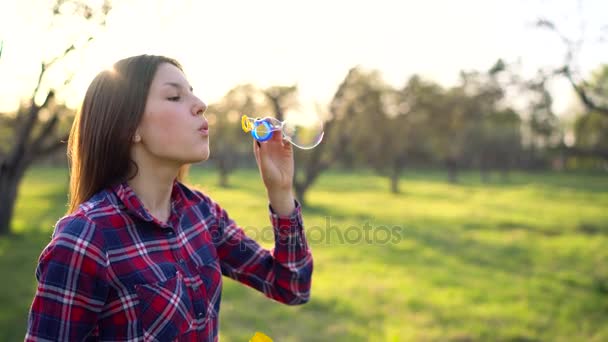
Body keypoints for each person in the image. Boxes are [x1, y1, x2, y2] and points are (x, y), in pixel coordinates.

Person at [25, 55, 313, 341]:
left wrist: (281, 192)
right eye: (175, 97)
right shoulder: (85, 239)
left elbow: (291, 286)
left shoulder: (201, 213)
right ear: (130, 128)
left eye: (192, 92)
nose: (200, 104)